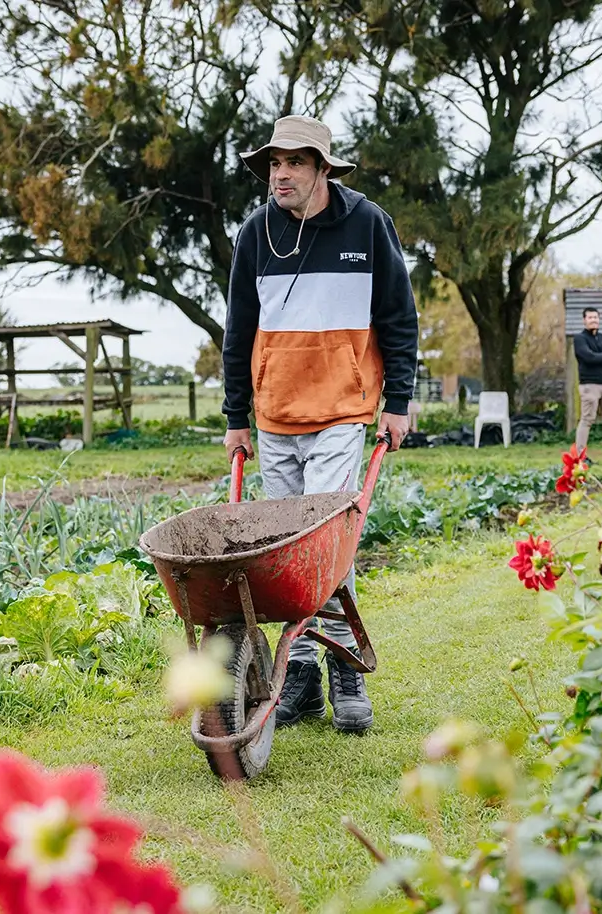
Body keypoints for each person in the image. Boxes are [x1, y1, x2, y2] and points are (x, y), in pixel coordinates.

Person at [221, 115, 419, 734]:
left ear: (322, 169)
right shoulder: (256, 233)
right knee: (283, 553)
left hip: (343, 408)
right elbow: (238, 332)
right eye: (274, 164)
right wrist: (236, 418)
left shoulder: (366, 223)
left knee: (327, 542)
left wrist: (400, 400)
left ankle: (344, 671)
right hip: (276, 413)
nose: (281, 174)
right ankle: (299, 674)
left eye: (295, 163)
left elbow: (399, 317)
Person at [573, 308, 602, 451]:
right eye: (590, 317)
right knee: (587, 419)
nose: (593, 320)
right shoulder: (579, 339)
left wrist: (597, 357)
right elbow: (587, 357)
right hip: (589, 385)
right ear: (584, 320)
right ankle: (580, 455)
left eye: (595, 317)